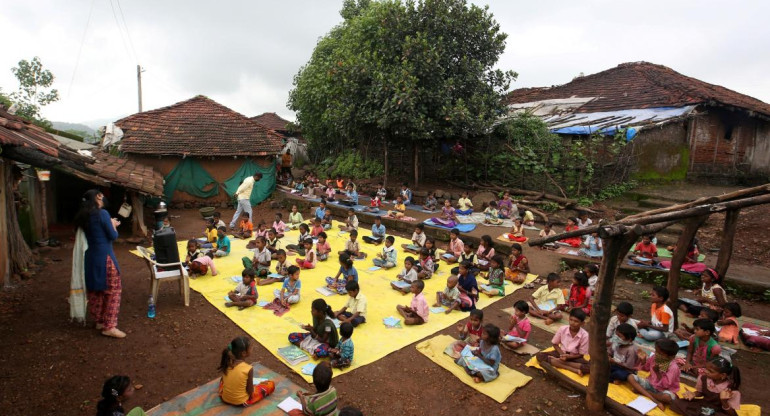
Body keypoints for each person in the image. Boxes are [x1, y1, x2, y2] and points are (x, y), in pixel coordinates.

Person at [73, 189, 125, 338]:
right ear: (98, 197)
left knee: (96, 290)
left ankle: (100, 321)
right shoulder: (102, 214)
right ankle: (109, 326)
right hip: (105, 258)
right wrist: (113, 224)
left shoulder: (84, 216)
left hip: (90, 258)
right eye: (101, 196)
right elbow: (113, 235)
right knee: (113, 291)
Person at [671, 357, 742, 416]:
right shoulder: (703, 378)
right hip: (703, 405)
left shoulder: (732, 390)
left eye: (710, 371)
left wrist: (724, 401)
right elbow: (700, 392)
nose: (706, 372)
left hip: (718, 412)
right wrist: (694, 394)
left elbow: (732, 414)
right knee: (676, 403)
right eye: (706, 369)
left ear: (722, 375)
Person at [219, 337, 275, 406]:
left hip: (225, 398)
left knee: (222, 381)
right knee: (270, 384)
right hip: (241, 402)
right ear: (244, 353)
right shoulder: (248, 369)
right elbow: (250, 391)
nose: (252, 349)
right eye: (250, 348)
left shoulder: (227, 362)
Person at [627, 339, 681, 411]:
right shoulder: (654, 357)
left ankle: (643, 392)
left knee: (667, 398)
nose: (657, 354)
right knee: (630, 377)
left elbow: (666, 385)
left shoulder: (673, 367)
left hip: (664, 390)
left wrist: (657, 372)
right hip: (651, 384)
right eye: (656, 351)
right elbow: (645, 368)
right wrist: (643, 361)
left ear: (671, 357)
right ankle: (655, 400)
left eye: (660, 354)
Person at [536, 309, 590, 376]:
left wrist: (568, 357)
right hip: (560, 353)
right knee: (540, 356)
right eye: (571, 320)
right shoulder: (562, 329)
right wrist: (562, 354)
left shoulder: (585, 335)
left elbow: (581, 354)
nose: (572, 323)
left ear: (582, 323)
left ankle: (556, 361)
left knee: (590, 368)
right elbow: (555, 344)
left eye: (576, 321)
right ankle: (574, 369)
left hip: (575, 357)